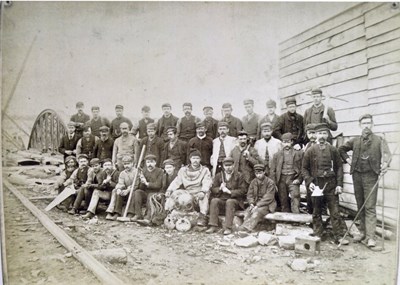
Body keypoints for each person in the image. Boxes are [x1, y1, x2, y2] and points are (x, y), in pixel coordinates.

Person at [338, 114, 390, 247]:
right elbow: (341, 149)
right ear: (360, 125)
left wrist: (385, 164)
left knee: (370, 206)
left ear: (372, 125)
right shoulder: (355, 141)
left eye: (369, 123)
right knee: (360, 205)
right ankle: (362, 233)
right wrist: (349, 161)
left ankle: (371, 237)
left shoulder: (380, 140)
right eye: (364, 123)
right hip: (357, 176)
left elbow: (387, 155)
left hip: (371, 176)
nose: (366, 125)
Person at [302, 123, 349, 245]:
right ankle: (318, 233)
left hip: (331, 184)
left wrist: (339, 184)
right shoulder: (310, 150)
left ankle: (338, 235)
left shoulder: (333, 150)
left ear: (328, 135)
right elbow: (304, 169)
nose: (321, 136)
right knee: (316, 211)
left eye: (324, 133)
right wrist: (309, 182)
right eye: (319, 133)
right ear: (316, 135)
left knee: (334, 211)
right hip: (317, 184)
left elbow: (339, 168)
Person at [166, 150, 212, 226]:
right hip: (187, 192)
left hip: (199, 191)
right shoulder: (183, 170)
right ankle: (168, 213)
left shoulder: (205, 170)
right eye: (193, 158)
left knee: (203, 196)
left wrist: (203, 191)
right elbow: (177, 181)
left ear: (200, 159)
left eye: (197, 158)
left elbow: (207, 182)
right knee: (174, 193)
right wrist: (169, 190)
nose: (195, 160)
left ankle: (202, 217)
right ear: (190, 159)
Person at [206, 157, 247, 235]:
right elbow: (213, 189)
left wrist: (229, 191)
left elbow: (243, 190)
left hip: (235, 201)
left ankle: (228, 227)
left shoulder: (239, 175)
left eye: (230, 165)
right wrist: (220, 188)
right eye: (226, 166)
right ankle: (213, 225)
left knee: (230, 201)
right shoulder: (219, 175)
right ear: (223, 166)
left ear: (233, 165)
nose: (228, 168)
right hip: (222, 200)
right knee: (214, 200)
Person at [270, 133, 303, 213]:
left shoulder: (298, 153)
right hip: (281, 179)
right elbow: (273, 170)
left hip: (293, 178)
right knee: (283, 198)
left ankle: (296, 218)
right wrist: (274, 182)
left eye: (288, 142)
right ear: (281, 143)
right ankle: (286, 218)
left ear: (292, 142)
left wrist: (299, 179)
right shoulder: (277, 155)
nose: (286, 144)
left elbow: (303, 168)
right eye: (284, 142)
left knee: (295, 196)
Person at [239, 164, 277, 232]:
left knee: (257, 212)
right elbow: (249, 194)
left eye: (260, 173)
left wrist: (257, 205)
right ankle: (245, 227)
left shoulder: (270, 182)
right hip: (256, 204)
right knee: (247, 212)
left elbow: (269, 197)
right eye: (257, 173)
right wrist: (251, 203)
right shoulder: (253, 182)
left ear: (264, 172)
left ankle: (246, 229)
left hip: (267, 205)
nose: (258, 175)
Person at [130, 154, 164, 222]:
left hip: (156, 194)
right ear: (146, 163)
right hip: (146, 193)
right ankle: (138, 215)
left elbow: (158, 185)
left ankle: (148, 216)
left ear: (155, 163)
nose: (149, 164)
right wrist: (142, 181)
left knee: (150, 195)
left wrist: (146, 183)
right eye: (148, 162)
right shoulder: (144, 171)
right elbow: (141, 188)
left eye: (151, 162)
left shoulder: (160, 171)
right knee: (137, 192)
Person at [105, 156, 139, 220]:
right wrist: (119, 189)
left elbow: (137, 185)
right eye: (125, 164)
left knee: (134, 192)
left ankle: (130, 213)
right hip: (125, 191)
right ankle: (117, 212)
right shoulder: (122, 173)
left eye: (128, 163)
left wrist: (128, 190)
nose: (126, 166)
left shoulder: (136, 172)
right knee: (116, 191)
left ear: (132, 163)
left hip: (134, 190)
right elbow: (120, 183)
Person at [303, 123, 317, 214]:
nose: (312, 135)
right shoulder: (307, 145)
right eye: (309, 133)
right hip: (309, 175)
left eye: (313, 133)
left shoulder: (321, 144)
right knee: (309, 197)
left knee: (319, 198)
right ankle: (310, 217)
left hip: (319, 175)